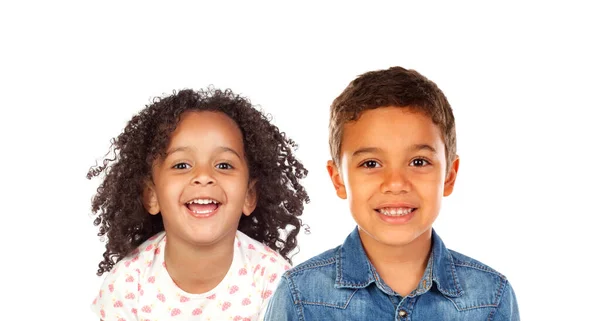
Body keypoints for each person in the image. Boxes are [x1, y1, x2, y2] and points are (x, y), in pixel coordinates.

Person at [264, 67, 519, 320]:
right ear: (338, 179)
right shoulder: (299, 297)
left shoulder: (490, 299)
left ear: (449, 176)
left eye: (418, 162)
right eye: (371, 164)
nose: (396, 183)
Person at [89, 88, 309, 320]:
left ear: (249, 195)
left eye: (224, 165)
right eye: (181, 165)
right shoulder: (127, 284)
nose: (203, 176)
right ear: (151, 195)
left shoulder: (272, 279)